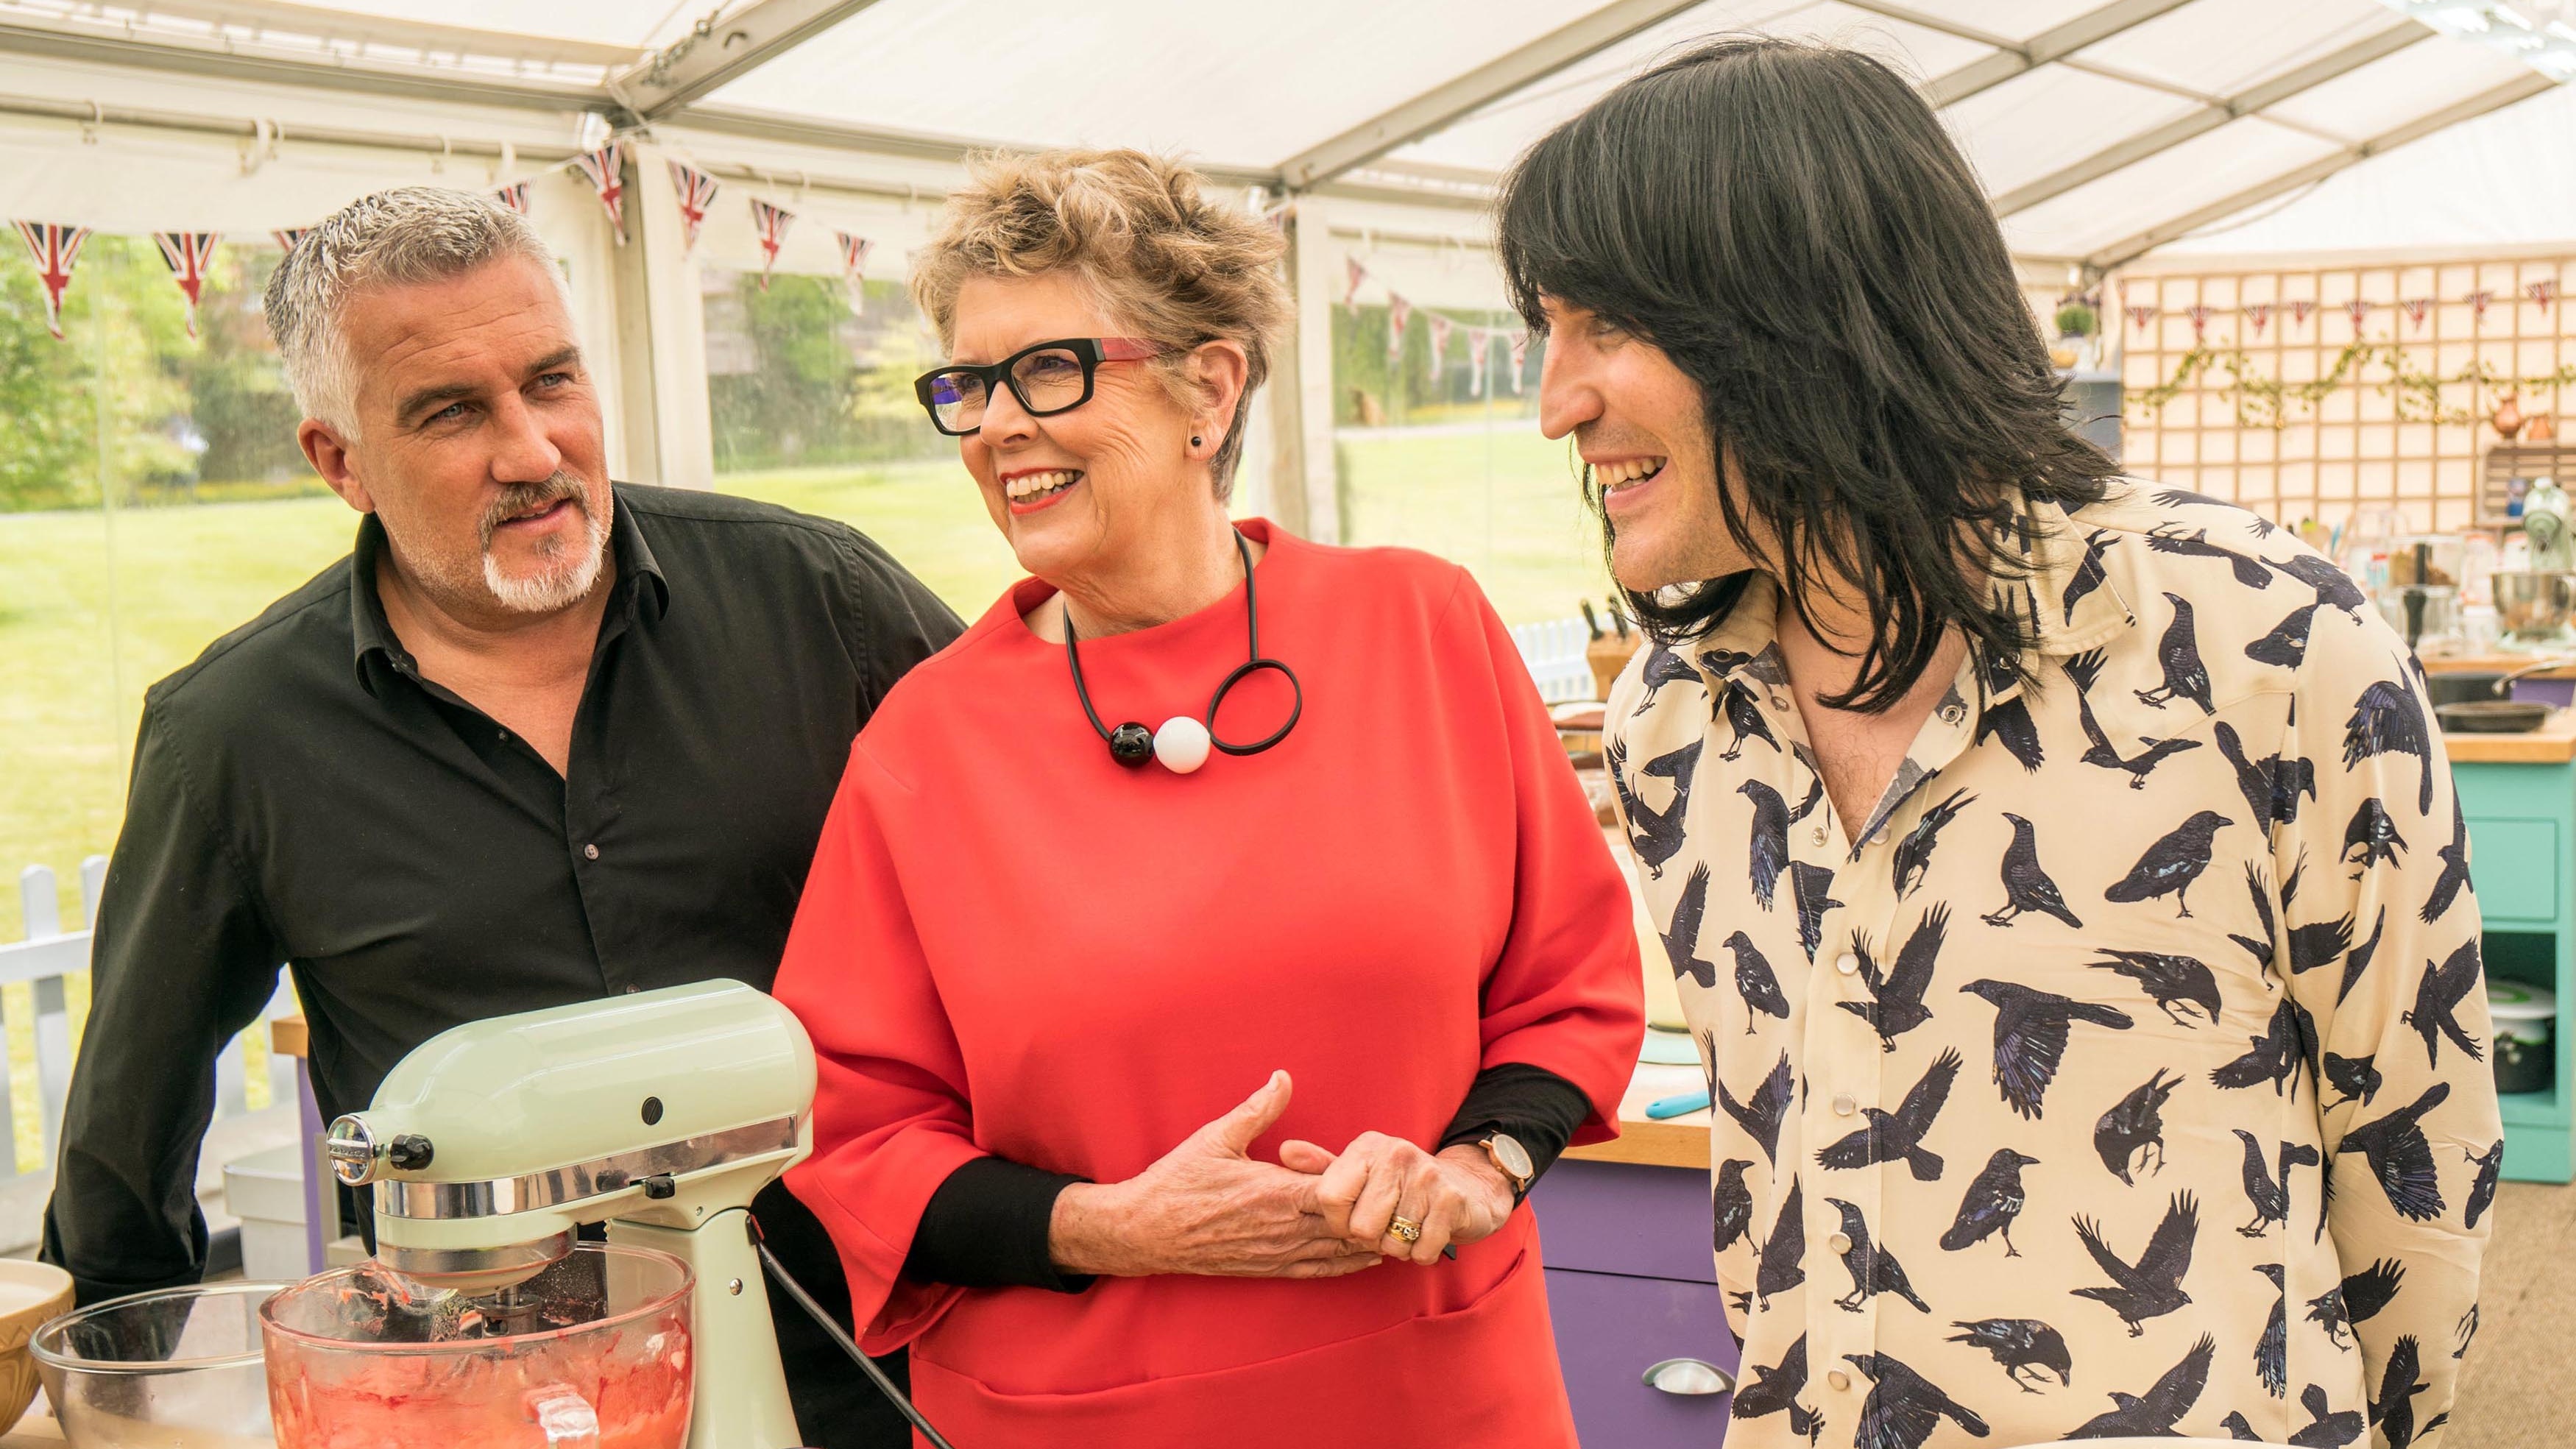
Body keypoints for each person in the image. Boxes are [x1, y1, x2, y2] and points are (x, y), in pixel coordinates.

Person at [1499, 37, 2499, 1448]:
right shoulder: (1678, 718)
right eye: (1549, 331)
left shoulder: (2265, 642)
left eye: (1606, 327)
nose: (1557, 403)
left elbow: (2413, 1156)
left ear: (1795, 312)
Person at [39, 187, 961, 1449]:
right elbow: (128, 1135)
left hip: (880, 1375)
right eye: (451, 411)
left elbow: (1042, 863)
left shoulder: (823, 601)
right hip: (481, 1408)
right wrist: (120, 1394)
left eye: (554, 380)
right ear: (338, 461)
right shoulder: (234, 735)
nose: (532, 450)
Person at [771, 148, 1643, 1445]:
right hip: (1083, 1416)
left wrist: (1472, 1170)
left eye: (1051, 370)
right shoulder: (923, 743)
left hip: (1437, 1393)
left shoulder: (1423, 626)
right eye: (969, 384)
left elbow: (1567, 985)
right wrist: (1111, 1226)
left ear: (1211, 386)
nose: (999, 423)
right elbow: (850, 1132)